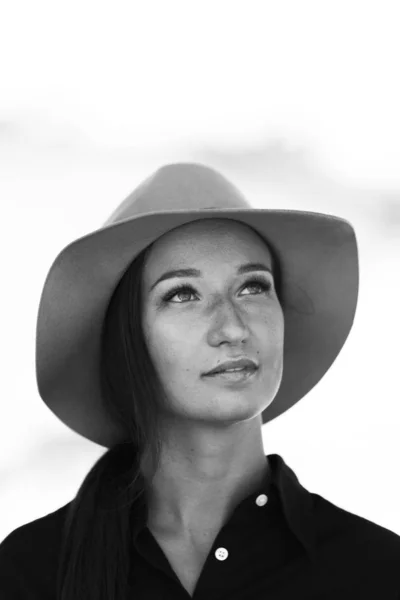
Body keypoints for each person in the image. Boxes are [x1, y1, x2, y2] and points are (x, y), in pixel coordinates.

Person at [0, 162, 399, 599]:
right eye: (182, 295)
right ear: (129, 339)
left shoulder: (376, 572)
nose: (232, 327)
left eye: (253, 287)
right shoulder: (30, 572)